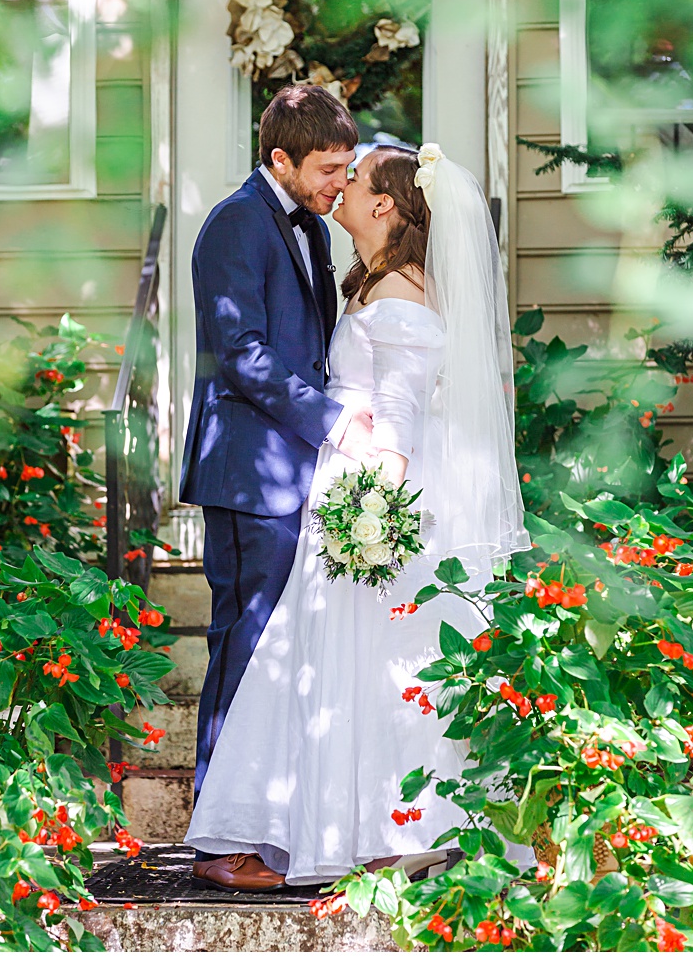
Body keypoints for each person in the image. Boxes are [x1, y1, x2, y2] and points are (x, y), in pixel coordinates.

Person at [185, 142, 529, 886]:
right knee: (337, 667)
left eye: (357, 178)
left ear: (385, 205)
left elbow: (400, 418)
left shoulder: (401, 296)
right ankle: (350, 825)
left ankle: (402, 830)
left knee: (382, 668)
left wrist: (375, 513)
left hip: (378, 495)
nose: (340, 189)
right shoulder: (371, 282)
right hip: (350, 484)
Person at [179, 84, 375, 892]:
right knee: (243, 647)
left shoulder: (306, 228)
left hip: (297, 470)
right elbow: (242, 353)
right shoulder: (234, 224)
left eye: (346, 167)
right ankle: (216, 840)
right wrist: (333, 419)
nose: (339, 183)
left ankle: (263, 824)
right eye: (328, 169)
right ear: (279, 159)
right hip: (249, 472)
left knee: (277, 656)